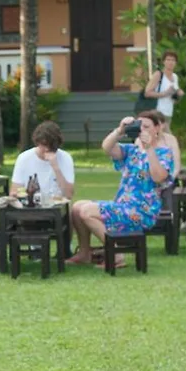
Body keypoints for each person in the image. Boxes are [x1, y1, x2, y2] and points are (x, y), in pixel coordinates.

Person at [67, 112, 172, 267]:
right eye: (139, 126)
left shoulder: (164, 154)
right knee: (76, 208)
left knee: (86, 212)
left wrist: (149, 148)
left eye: (147, 126)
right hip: (122, 207)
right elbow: (107, 148)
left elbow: (158, 177)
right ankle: (84, 253)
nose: (142, 129)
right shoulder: (132, 151)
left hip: (141, 212)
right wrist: (120, 130)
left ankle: (116, 254)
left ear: (157, 128)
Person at [8, 120, 76, 201]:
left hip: (56, 206)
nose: (47, 149)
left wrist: (56, 167)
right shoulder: (24, 158)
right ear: (37, 142)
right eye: (44, 145)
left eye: (51, 146)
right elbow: (15, 190)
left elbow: (68, 195)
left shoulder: (65, 158)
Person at [142, 51, 184, 119]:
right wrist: (165, 93)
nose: (170, 62)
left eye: (173, 60)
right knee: (165, 130)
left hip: (169, 112)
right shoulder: (158, 75)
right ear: (163, 62)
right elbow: (147, 93)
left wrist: (179, 95)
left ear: (176, 63)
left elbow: (173, 100)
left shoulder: (175, 77)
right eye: (168, 60)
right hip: (157, 112)